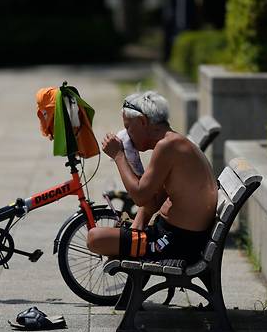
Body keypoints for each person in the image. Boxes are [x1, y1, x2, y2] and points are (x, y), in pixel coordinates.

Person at [87, 91, 217, 263]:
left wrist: (118, 156)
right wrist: (137, 225)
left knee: (95, 237)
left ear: (142, 121)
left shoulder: (167, 147)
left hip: (174, 242)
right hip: (177, 237)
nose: (127, 135)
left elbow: (140, 197)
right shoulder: (173, 142)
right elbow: (152, 199)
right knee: (107, 236)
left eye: (128, 127)